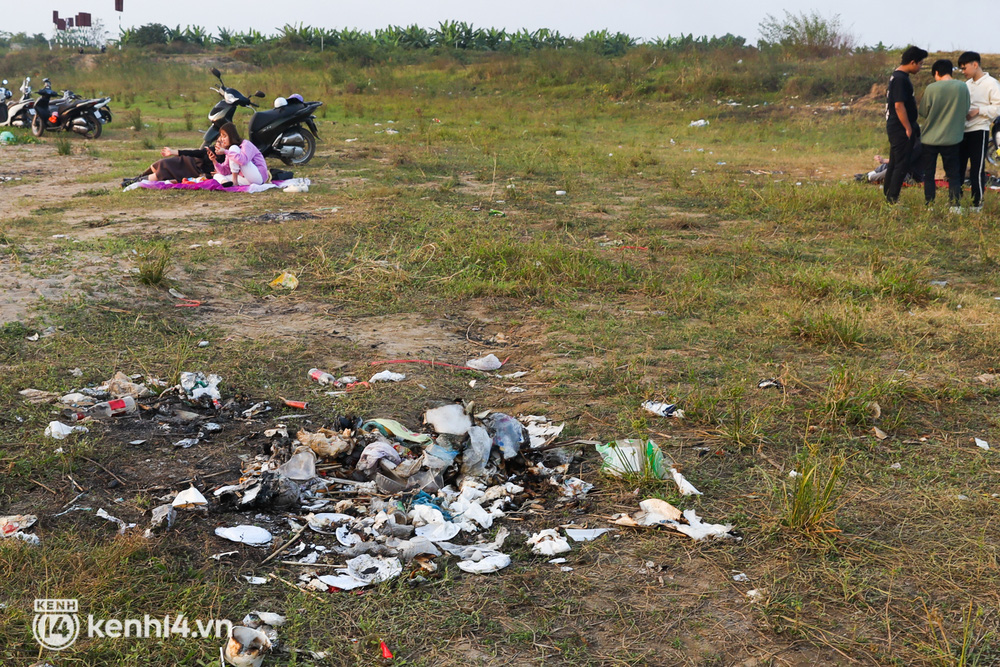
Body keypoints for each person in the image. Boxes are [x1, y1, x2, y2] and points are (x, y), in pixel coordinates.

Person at [918, 59, 971, 211]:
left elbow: (924, 111)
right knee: (953, 174)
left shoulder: (931, 88)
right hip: (952, 138)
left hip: (930, 139)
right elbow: (966, 108)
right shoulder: (962, 87)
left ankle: (930, 205)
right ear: (950, 71)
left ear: (936, 72)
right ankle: (954, 205)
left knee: (929, 173)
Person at [884, 46, 928, 203]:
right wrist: (908, 127)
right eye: (920, 64)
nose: (921, 67)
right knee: (901, 165)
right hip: (900, 128)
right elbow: (898, 105)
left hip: (897, 126)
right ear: (912, 62)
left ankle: (888, 193)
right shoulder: (901, 79)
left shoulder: (898, 76)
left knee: (895, 162)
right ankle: (892, 199)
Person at [957, 51, 1000, 212]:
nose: (963, 71)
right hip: (962, 130)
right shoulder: (966, 85)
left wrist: (979, 110)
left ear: (975, 64)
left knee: (976, 168)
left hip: (979, 130)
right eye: (961, 69)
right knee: (959, 167)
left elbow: (998, 108)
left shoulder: (991, 84)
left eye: (964, 67)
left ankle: (977, 203)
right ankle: (956, 202)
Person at [121, 145, 219, 188]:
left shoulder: (230, 155)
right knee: (162, 162)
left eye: (224, 137)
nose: (220, 141)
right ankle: (137, 178)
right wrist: (173, 152)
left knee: (163, 171)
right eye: (219, 139)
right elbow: (196, 152)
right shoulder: (214, 148)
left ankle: (135, 181)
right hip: (189, 161)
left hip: (194, 171)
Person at [212, 122, 269, 186]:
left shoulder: (246, 144)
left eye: (224, 136)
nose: (223, 139)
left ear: (231, 135)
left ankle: (234, 181)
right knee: (217, 176)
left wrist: (225, 151)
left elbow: (243, 161)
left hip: (257, 177)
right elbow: (226, 171)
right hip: (245, 179)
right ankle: (226, 183)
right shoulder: (229, 150)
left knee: (233, 148)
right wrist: (214, 161)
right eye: (221, 137)